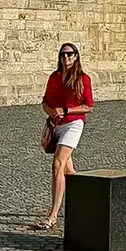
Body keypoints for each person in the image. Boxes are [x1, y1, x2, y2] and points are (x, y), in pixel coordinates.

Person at [34, 43, 94, 231]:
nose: (66, 58)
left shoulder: (83, 79)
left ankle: (52, 216)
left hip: (74, 124)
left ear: (76, 56)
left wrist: (66, 110)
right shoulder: (54, 77)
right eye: (63, 55)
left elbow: (89, 106)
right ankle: (88, 201)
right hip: (56, 125)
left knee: (57, 164)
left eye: (70, 54)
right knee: (68, 171)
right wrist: (51, 112)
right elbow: (45, 102)